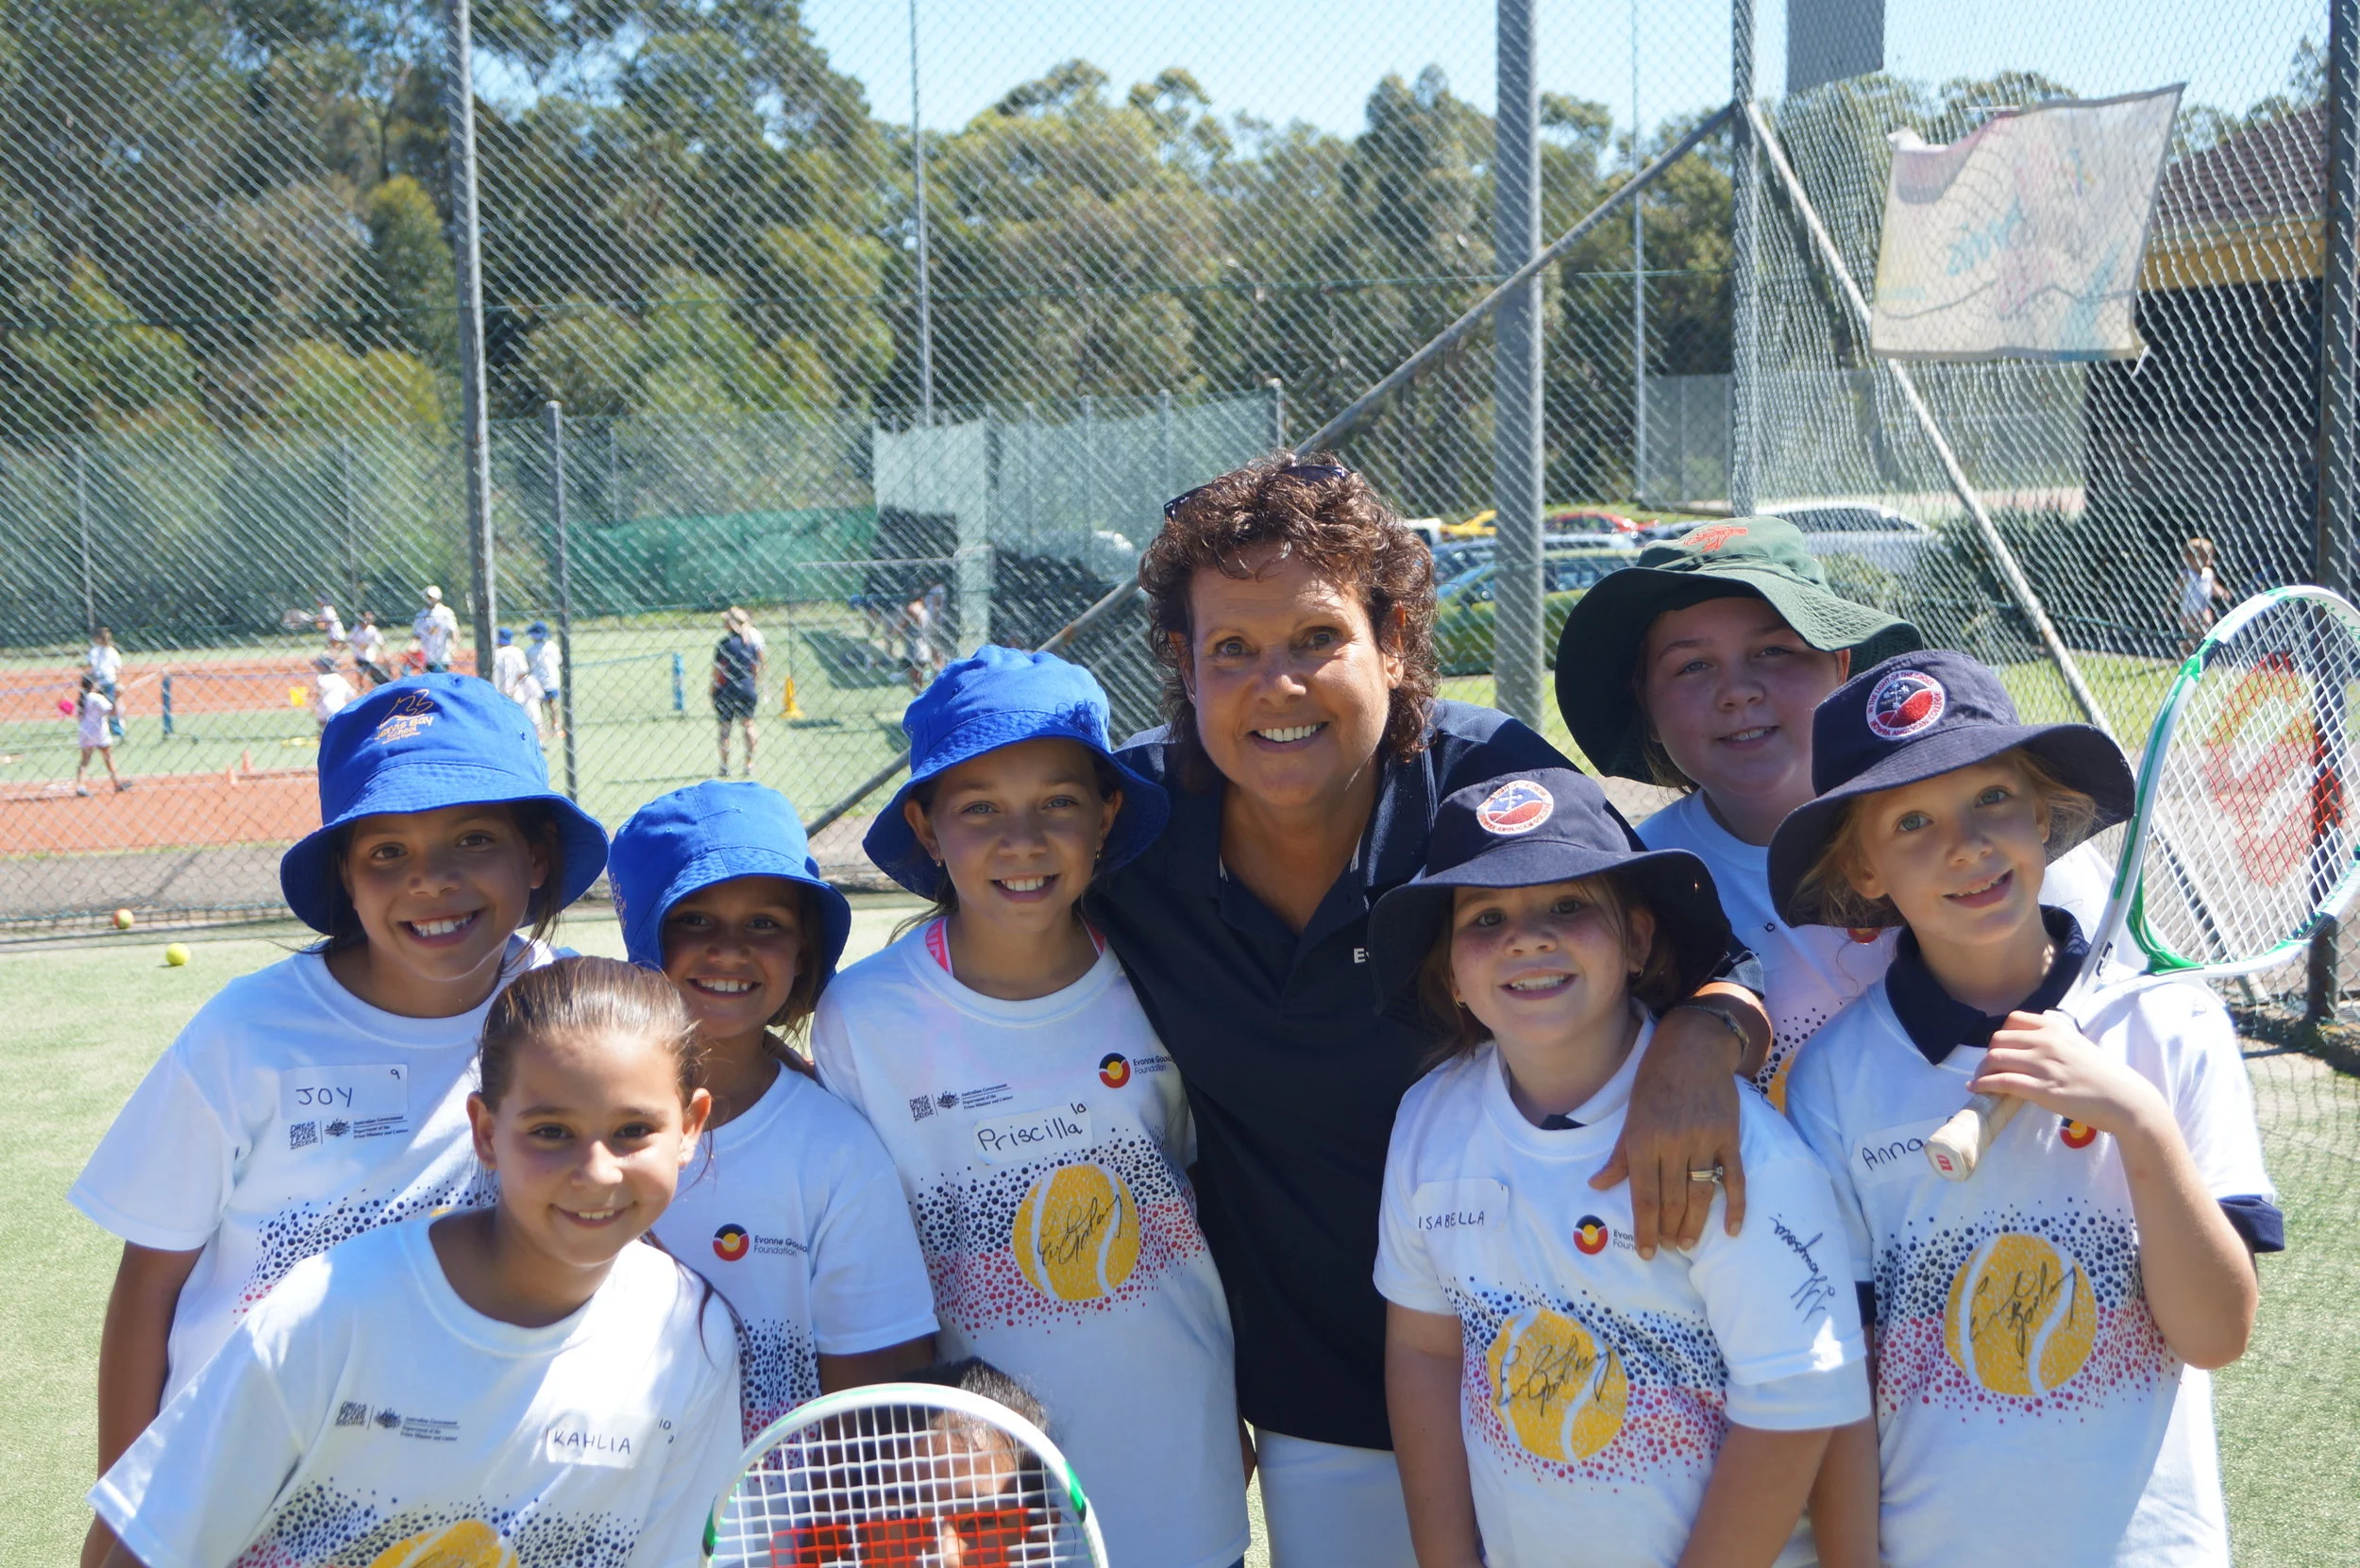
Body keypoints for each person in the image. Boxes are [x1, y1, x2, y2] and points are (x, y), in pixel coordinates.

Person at [1088, 456, 1773, 1568]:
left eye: (1317, 636)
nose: (1279, 684)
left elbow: (1701, 960)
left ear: (1393, 636)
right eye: (1232, 650)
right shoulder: (1130, 832)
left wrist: (1706, 1037)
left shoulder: (1493, 782)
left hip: (1586, 1358)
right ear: (1182, 665)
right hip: (1326, 1397)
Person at [67, 673, 606, 1568]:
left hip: (477, 1498)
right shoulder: (249, 1033)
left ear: (538, 856)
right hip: (247, 1501)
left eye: (473, 838)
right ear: (345, 879)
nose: (431, 879)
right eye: (386, 852)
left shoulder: (581, 1012)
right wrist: (128, 1516)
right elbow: (148, 1287)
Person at [1768, 649, 2280, 1567]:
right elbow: (1833, 1372)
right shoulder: (1836, 1080)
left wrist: (2139, 1123)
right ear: (1864, 868)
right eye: (1912, 820)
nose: (1965, 843)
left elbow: (2215, 1334)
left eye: (1993, 799)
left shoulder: (2169, 1026)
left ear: (2043, 815)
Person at [813, 646, 1251, 1568]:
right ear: (927, 829)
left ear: (1107, 814)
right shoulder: (863, 1015)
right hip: (977, 1481)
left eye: (1057, 801)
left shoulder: (1162, 979)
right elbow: (865, 1263)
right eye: (980, 809)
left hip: (1180, 1440)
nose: (1022, 838)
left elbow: (1216, 1190)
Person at [87, 957, 742, 1568]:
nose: (596, 1172)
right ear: (485, 1132)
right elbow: (145, 1550)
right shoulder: (330, 1310)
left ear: (691, 1125)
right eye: (550, 1132)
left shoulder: (695, 1337)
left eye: (633, 1130)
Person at [1372, 768, 1870, 1568]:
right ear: (1451, 972)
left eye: (1567, 905)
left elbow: (1795, 1401)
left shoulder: (1738, 1151)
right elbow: (1426, 1349)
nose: (1526, 937)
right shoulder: (1430, 1120)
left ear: (1638, 940)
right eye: (1486, 916)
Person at [1553, 516, 2114, 1112]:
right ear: (1647, 705)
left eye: (1773, 651)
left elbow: (2129, 1025)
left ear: (1841, 666)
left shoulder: (2001, 841)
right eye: (1692, 666)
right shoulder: (1640, 881)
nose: (1737, 691)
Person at [609, 781, 938, 1437]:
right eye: (694, 919)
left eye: (765, 924)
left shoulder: (837, 1151)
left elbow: (876, 1420)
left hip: (776, 1537)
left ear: (802, 952)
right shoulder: (572, 1131)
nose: (730, 948)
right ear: (643, 936)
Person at [713, 608, 763, 777]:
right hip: (747, 688)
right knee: (748, 724)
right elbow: (756, 669)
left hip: (726, 690)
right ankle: (749, 764)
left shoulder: (724, 645)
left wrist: (712, 690)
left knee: (725, 728)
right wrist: (752, 685)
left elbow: (718, 671)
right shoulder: (751, 645)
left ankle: (724, 766)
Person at [74, 673, 126, 796]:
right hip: (99, 731)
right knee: (108, 757)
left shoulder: (82, 698)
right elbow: (112, 712)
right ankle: (116, 783)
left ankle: (80, 785)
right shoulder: (97, 698)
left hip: (85, 731)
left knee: (84, 760)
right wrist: (117, 696)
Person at [2177, 536, 2229, 655]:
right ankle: (2187, 649)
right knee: (2192, 633)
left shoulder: (2208, 573)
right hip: (2188, 610)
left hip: (2204, 607)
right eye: (2202, 557)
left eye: (2208, 556)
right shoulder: (2187, 574)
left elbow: (2214, 587)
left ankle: (2197, 651)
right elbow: (2176, 590)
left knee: (2206, 630)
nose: (2206, 560)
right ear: (2189, 558)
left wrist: (2222, 593)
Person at [492, 626, 544, 734]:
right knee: (524, 716)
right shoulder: (517, 652)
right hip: (516, 690)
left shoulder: (494, 654)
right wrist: (514, 685)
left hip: (497, 690)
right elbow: (523, 673)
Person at [87, 624, 125, 738]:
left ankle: (116, 729)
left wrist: (118, 683)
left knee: (111, 706)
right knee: (98, 706)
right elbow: (92, 668)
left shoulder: (112, 652)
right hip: (98, 683)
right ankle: (100, 729)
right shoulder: (94, 651)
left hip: (109, 682)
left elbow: (117, 668)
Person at [527, 620, 563, 738]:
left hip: (539, 679)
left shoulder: (531, 650)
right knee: (550, 703)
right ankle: (554, 726)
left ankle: (546, 727)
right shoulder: (552, 646)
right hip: (548, 679)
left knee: (544, 703)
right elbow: (559, 660)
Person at [413, 583, 459, 673]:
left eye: (430, 597)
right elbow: (416, 635)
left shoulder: (445, 612)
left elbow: (454, 631)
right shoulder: (421, 615)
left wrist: (454, 646)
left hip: (442, 655)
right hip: (427, 656)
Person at [306, 653, 353, 733]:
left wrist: (314, 706)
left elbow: (317, 694)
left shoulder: (321, 678)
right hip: (339, 707)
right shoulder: (340, 678)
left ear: (325, 667)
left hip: (324, 708)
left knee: (323, 730)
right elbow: (351, 694)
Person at [348, 611, 391, 687]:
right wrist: (357, 646)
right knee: (361, 672)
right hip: (359, 655)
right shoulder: (356, 629)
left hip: (370, 655)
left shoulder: (373, 630)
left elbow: (381, 642)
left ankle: (374, 686)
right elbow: (350, 640)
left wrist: (385, 652)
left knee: (373, 672)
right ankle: (361, 687)